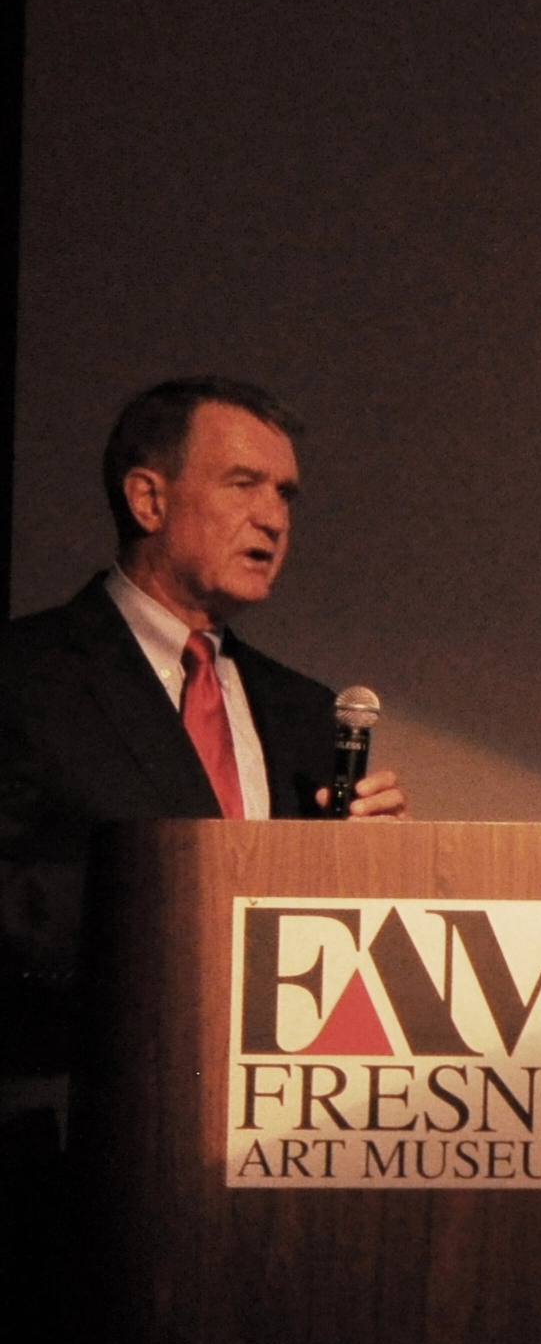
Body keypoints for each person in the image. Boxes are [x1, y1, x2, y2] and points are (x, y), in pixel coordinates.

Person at [2, 378, 408, 1087]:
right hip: (75, 1100)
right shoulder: (26, 674)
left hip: (273, 1109)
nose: (273, 519)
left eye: (285, 495)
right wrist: (168, 904)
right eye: (244, 484)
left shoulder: (306, 711)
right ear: (148, 500)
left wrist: (371, 869)